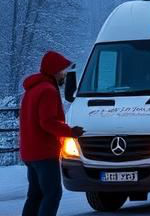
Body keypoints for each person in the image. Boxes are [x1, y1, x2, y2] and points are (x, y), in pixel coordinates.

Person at [20, 51, 84, 216]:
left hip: (29, 152)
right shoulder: (48, 91)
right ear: (54, 71)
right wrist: (71, 132)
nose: (64, 74)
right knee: (52, 194)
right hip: (44, 153)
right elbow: (47, 122)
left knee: (35, 195)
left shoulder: (32, 90)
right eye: (62, 70)